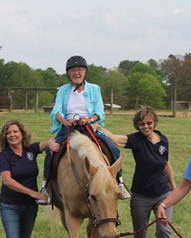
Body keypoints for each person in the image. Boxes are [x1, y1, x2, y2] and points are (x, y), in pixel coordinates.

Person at [101, 106, 176, 238]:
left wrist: (174, 188)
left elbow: (166, 164)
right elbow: (117, 140)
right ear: (137, 125)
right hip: (141, 195)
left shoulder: (163, 139)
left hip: (163, 194)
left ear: (155, 123)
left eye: (149, 123)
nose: (145, 127)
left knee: (164, 232)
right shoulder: (135, 140)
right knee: (141, 235)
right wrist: (100, 129)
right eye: (141, 124)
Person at [40, 55, 130, 204]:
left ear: (85, 72)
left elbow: (99, 112)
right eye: (73, 70)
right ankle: (46, 187)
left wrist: (88, 120)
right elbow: (56, 111)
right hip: (68, 126)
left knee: (113, 148)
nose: (76, 73)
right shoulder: (62, 90)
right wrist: (66, 121)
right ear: (69, 74)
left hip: (88, 126)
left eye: (79, 70)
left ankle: (119, 182)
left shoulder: (95, 89)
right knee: (52, 150)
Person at [0, 120, 60, 238]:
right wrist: (33, 193)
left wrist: (52, 144)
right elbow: (7, 180)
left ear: (22, 134)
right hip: (9, 205)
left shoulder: (30, 151)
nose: (12, 135)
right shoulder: (4, 156)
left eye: (15, 132)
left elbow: (46, 143)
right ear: (5, 137)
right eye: (8, 133)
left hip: (29, 208)